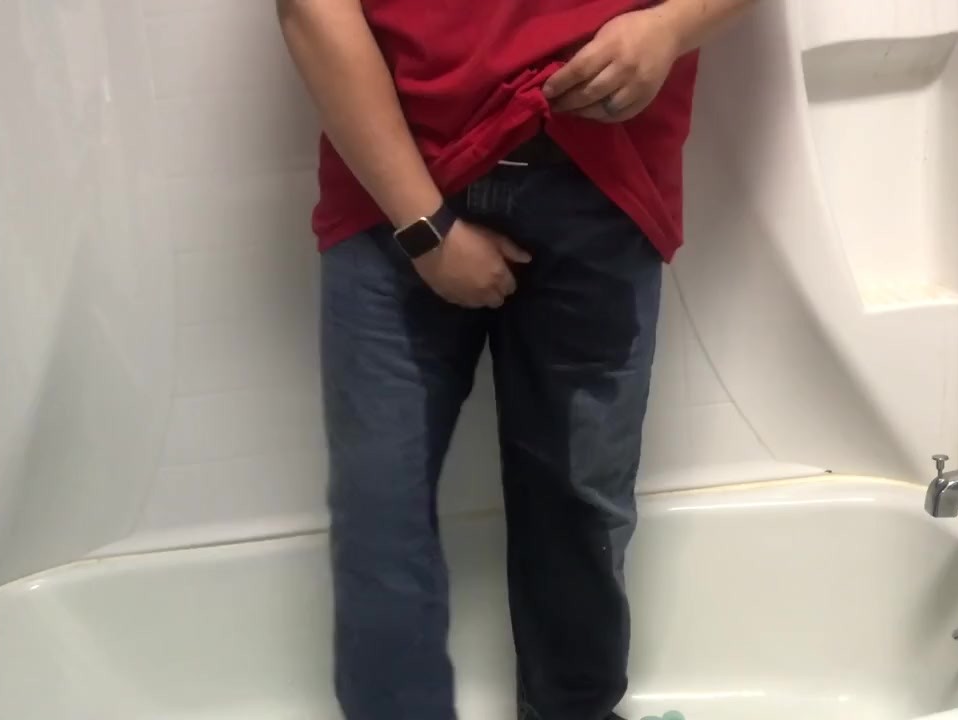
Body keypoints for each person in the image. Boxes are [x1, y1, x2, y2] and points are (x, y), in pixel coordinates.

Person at [278, 1, 755, 718]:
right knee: (381, 511)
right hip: (391, 176)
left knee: (581, 504)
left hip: (600, 170)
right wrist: (424, 226)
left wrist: (672, 26)